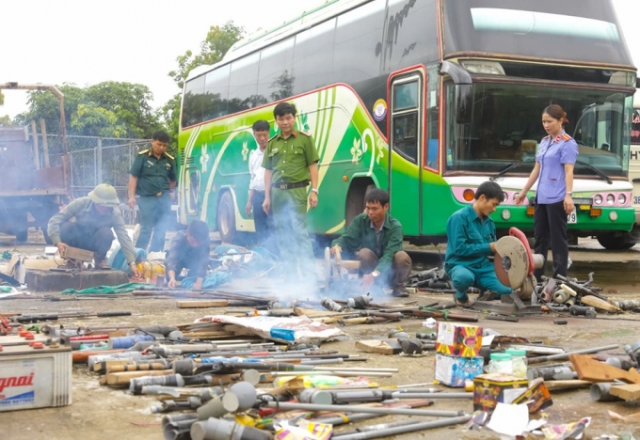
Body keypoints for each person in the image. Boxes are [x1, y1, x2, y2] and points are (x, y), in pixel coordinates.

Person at [515, 104, 577, 280]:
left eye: (549, 121)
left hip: (557, 197)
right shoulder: (544, 142)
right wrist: (524, 191)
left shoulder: (567, 143)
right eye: (543, 122)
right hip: (541, 197)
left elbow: (568, 171)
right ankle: (537, 276)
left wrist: (568, 195)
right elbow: (537, 169)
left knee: (558, 239)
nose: (546, 125)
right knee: (539, 238)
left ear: (560, 120)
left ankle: (559, 278)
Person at [262, 102, 319, 284]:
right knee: (283, 233)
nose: (285, 122)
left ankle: (309, 276)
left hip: (297, 191)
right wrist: (266, 197)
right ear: (276, 121)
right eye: (281, 118)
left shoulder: (304, 139)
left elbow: (313, 166)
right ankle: (291, 275)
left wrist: (314, 191)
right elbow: (268, 171)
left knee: (299, 233)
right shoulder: (272, 143)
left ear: (294, 118)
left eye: (288, 118)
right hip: (278, 193)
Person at [330, 189, 412, 297]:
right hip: (368, 271)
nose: (370, 212)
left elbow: (389, 255)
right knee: (364, 253)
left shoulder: (395, 227)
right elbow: (347, 238)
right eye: (368, 208)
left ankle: (397, 287)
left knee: (402, 256)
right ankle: (373, 288)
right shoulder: (360, 220)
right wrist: (337, 245)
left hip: (388, 271)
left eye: (374, 209)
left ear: (385, 207)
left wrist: (374, 274)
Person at [48, 184, 140, 277]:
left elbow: (124, 238)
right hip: (77, 240)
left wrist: (132, 263)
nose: (107, 209)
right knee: (66, 227)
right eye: (104, 206)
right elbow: (54, 221)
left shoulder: (114, 214)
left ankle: (99, 261)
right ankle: (72, 260)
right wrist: (58, 242)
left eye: (109, 206)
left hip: (94, 244)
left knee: (106, 233)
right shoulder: (80, 204)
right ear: (96, 202)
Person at [444, 181, 512, 306]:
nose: (494, 209)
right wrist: (489, 247)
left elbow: (496, 250)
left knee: (507, 290)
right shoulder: (459, 218)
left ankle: (485, 292)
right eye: (493, 204)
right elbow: (459, 249)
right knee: (463, 278)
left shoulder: (489, 222)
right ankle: (461, 296)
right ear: (482, 198)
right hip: (461, 265)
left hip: (482, 267)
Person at [128, 130, 177, 252]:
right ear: (152, 142)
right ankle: (139, 255)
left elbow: (173, 179)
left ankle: (155, 255)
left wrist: (170, 192)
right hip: (147, 199)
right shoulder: (142, 157)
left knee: (161, 229)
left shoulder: (170, 160)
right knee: (146, 228)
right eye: (159, 144)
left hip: (164, 198)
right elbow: (133, 177)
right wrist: (131, 197)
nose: (161, 148)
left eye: (165, 145)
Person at [245, 120, 276, 252]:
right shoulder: (253, 155)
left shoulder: (274, 151)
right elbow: (253, 179)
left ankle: (276, 257)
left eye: (265, 135)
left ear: (269, 133)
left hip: (272, 195)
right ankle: (263, 256)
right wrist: (249, 202)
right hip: (257, 196)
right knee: (260, 228)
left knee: (273, 228)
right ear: (254, 135)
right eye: (259, 135)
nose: (262, 138)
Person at [166, 220, 211, 290]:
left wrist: (199, 283)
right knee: (169, 277)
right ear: (187, 232)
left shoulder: (205, 240)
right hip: (179, 261)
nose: (195, 245)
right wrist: (172, 278)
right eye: (193, 241)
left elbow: (204, 262)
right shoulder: (178, 239)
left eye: (199, 243)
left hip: (194, 262)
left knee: (195, 278)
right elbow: (172, 260)